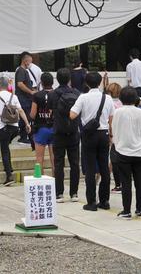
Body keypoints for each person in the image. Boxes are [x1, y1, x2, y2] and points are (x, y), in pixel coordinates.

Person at [70, 71, 115, 211]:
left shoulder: (83, 97)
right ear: (101, 82)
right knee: (104, 168)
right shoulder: (107, 98)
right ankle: (104, 201)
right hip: (104, 133)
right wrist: (111, 135)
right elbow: (111, 118)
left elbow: (72, 115)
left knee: (90, 169)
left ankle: (91, 202)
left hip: (89, 135)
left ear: (86, 83)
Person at [111, 86, 141, 218]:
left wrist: (117, 143)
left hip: (122, 150)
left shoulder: (118, 112)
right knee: (140, 181)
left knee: (125, 182)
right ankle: (140, 209)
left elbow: (114, 130)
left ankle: (126, 210)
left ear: (121, 98)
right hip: (139, 150)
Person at [0, 75, 31, 187]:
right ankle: (10, 169)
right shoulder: (14, 96)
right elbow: (21, 110)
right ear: (8, 85)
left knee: (5, 151)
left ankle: (9, 176)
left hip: (3, 127)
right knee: (6, 145)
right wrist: (27, 123)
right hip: (15, 128)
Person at [50, 68, 82, 202]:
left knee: (58, 163)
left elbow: (52, 110)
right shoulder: (76, 92)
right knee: (74, 163)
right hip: (74, 132)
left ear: (57, 79)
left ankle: (59, 194)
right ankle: (74, 193)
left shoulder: (53, 94)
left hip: (59, 132)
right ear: (70, 79)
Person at [30, 72, 56, 176]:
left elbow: (32, 114)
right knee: (54, 159)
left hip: (41, 129)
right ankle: (56, 182)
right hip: (54, 128)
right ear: (52, 82)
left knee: (39, 159)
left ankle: (40, 181)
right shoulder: (56, 94)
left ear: (41, 82)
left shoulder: (37, 95)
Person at [15, 52, 37, 144]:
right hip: (23, 99)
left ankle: (25, 136)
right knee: (25, 117)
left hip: (26, 98)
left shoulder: (24, 71)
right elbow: (20, 84)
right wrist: (31, 91)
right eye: (29, 62)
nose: (30, 64)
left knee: (27, 117)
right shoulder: (21, 70)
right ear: (25, 60)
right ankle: (23, 137)